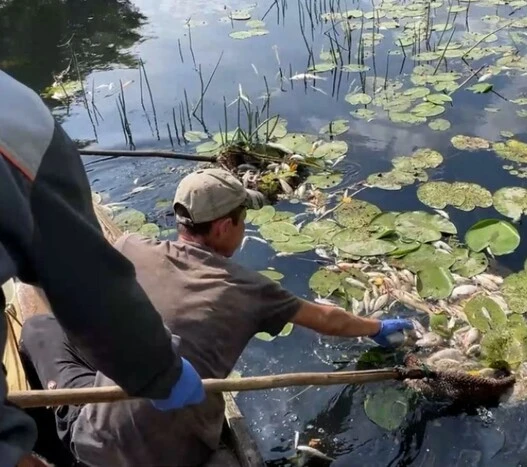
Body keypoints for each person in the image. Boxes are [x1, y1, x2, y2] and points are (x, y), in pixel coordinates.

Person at [20, 168, 414, 466]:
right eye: (243, 220)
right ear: (225, 226)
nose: (243, 229)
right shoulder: (251, 289)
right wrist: (378, 327)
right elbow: (330, 320)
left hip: (101, 446)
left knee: (42, 328)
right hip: (187, 451)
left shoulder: (129, 247)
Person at [0, 70, 206, 467]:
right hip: (96, 423)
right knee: (42, 327)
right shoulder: (16, 118)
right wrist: (161, 372)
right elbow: (91, 288)